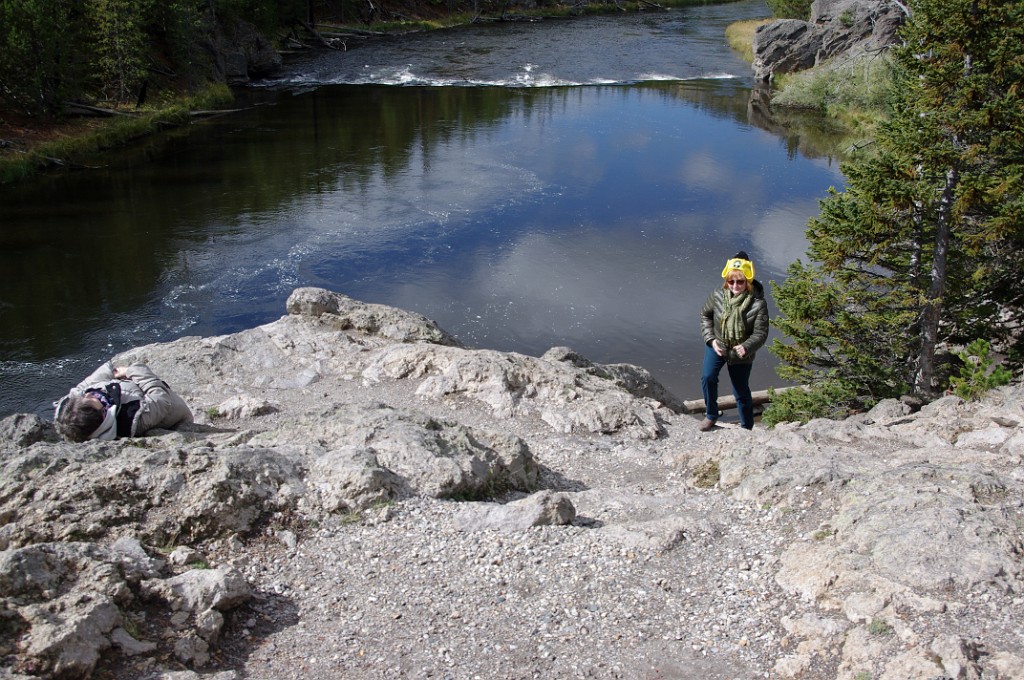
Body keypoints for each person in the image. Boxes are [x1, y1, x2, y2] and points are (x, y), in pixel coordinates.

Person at [698, 251, 769, 431]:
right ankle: (711, 415)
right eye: (731, 281)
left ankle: (746, 427)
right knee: (708, 377)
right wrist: (711, 340)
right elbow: (705, 316)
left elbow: (761, 333)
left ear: (748, 281)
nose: (735, 286)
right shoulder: (717, 295)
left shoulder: (758, 304)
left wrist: (747, 346)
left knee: (740, 390)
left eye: (740, 281)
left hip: (741, 352)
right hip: (718, 346)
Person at [54, 361, 193, 442]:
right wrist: (132, 371)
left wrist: (110, 371)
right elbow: (161, 398)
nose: (90, 394)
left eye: (85, 397)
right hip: (175, 412)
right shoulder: (132, 418)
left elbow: (83, 387)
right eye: (92, 400)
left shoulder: (70, 413)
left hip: (130, 390)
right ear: (103, 415)